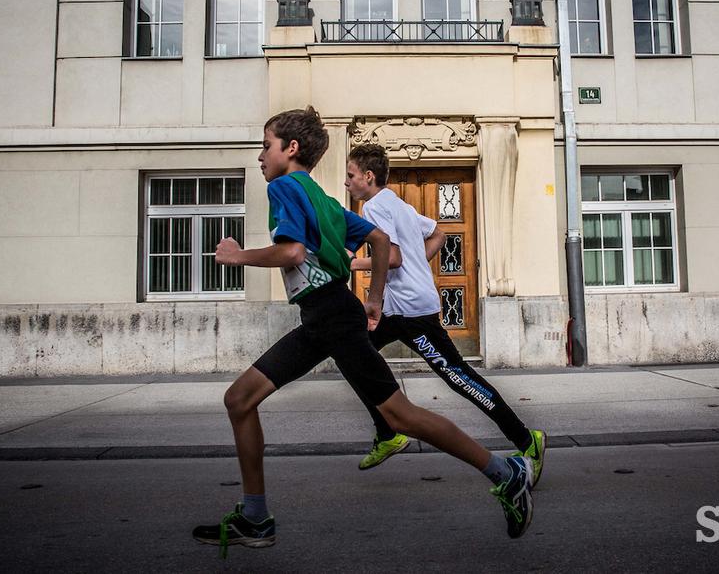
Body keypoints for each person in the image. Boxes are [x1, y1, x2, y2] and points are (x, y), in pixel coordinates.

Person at [192, 107, 535, 557]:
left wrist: (238, 256)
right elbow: (378, 241)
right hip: (323, 319)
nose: (260, 156)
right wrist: (372, 300)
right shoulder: (325, 201)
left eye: (265, 145)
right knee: (239, 399)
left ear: (290, 149)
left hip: (332, 318)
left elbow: (292, 251)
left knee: (401, 417)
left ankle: (506, 474)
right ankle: (255, 518)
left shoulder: (285, 187)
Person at [344, 144, 546, 485]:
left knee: (459, 377)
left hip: (411, 312)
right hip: (401, 308)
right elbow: (437, 232)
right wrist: (417, 264)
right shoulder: (398, 204)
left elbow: (390, 258)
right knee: (354, 356)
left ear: (368, 176)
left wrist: (359, 271)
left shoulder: (377, 207)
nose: (347, 182)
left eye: (350, 176)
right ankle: (387, 432)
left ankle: (527, 441)